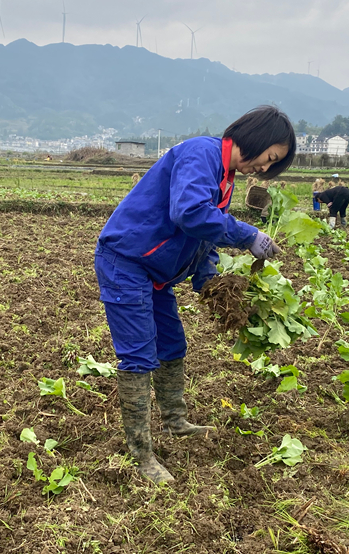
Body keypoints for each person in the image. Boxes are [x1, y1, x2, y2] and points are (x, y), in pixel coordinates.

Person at [95, 106, 296, 483]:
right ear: (255, 138)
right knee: (139, 355)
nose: (265, 170)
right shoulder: (201, 154)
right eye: (270, 158)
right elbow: (189, 213)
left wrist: (210, 282)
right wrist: (247, 234)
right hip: (126, 262)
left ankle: (174, 421)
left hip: (155, 273)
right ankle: (140, 454)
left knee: (172, 345)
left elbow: (203, 236)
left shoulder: (226, 175)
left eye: (273, 165)